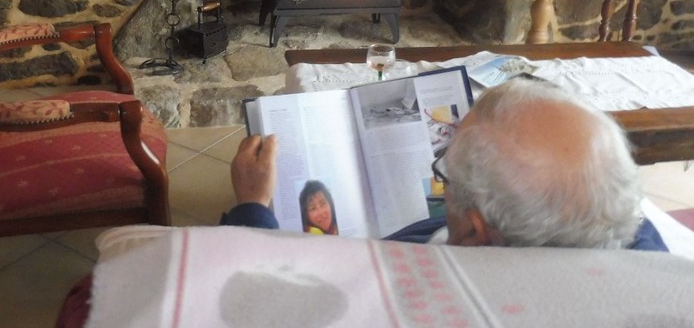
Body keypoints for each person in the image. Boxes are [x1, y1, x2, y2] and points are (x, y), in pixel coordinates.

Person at [222, 78, 667, 251]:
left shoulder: (410, 285)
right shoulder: (633, 237)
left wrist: (252, 206)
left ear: (475, 231)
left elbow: (256, 301)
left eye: (444, 170)